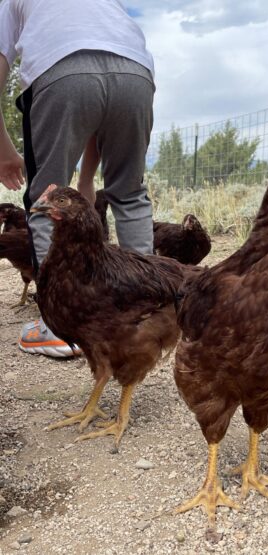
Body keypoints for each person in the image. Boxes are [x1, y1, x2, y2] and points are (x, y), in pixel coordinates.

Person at [0, 0, 155, 357]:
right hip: (136, 73)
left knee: (45, 200)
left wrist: (5, 151)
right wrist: (86, 181)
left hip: (60, 71)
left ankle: (58, 327)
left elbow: (83, 89)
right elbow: (99, 104)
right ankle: (144, 316)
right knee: (130, 194)